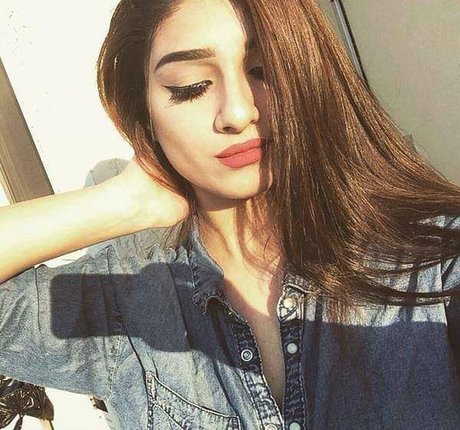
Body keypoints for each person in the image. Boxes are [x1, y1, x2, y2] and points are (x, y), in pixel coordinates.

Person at [1, 0, 459, 428]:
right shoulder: (124, 298)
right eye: (191, 87)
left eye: (264, 71)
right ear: (144, 111)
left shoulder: (432, 261)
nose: (239, 113)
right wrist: (124, 201)